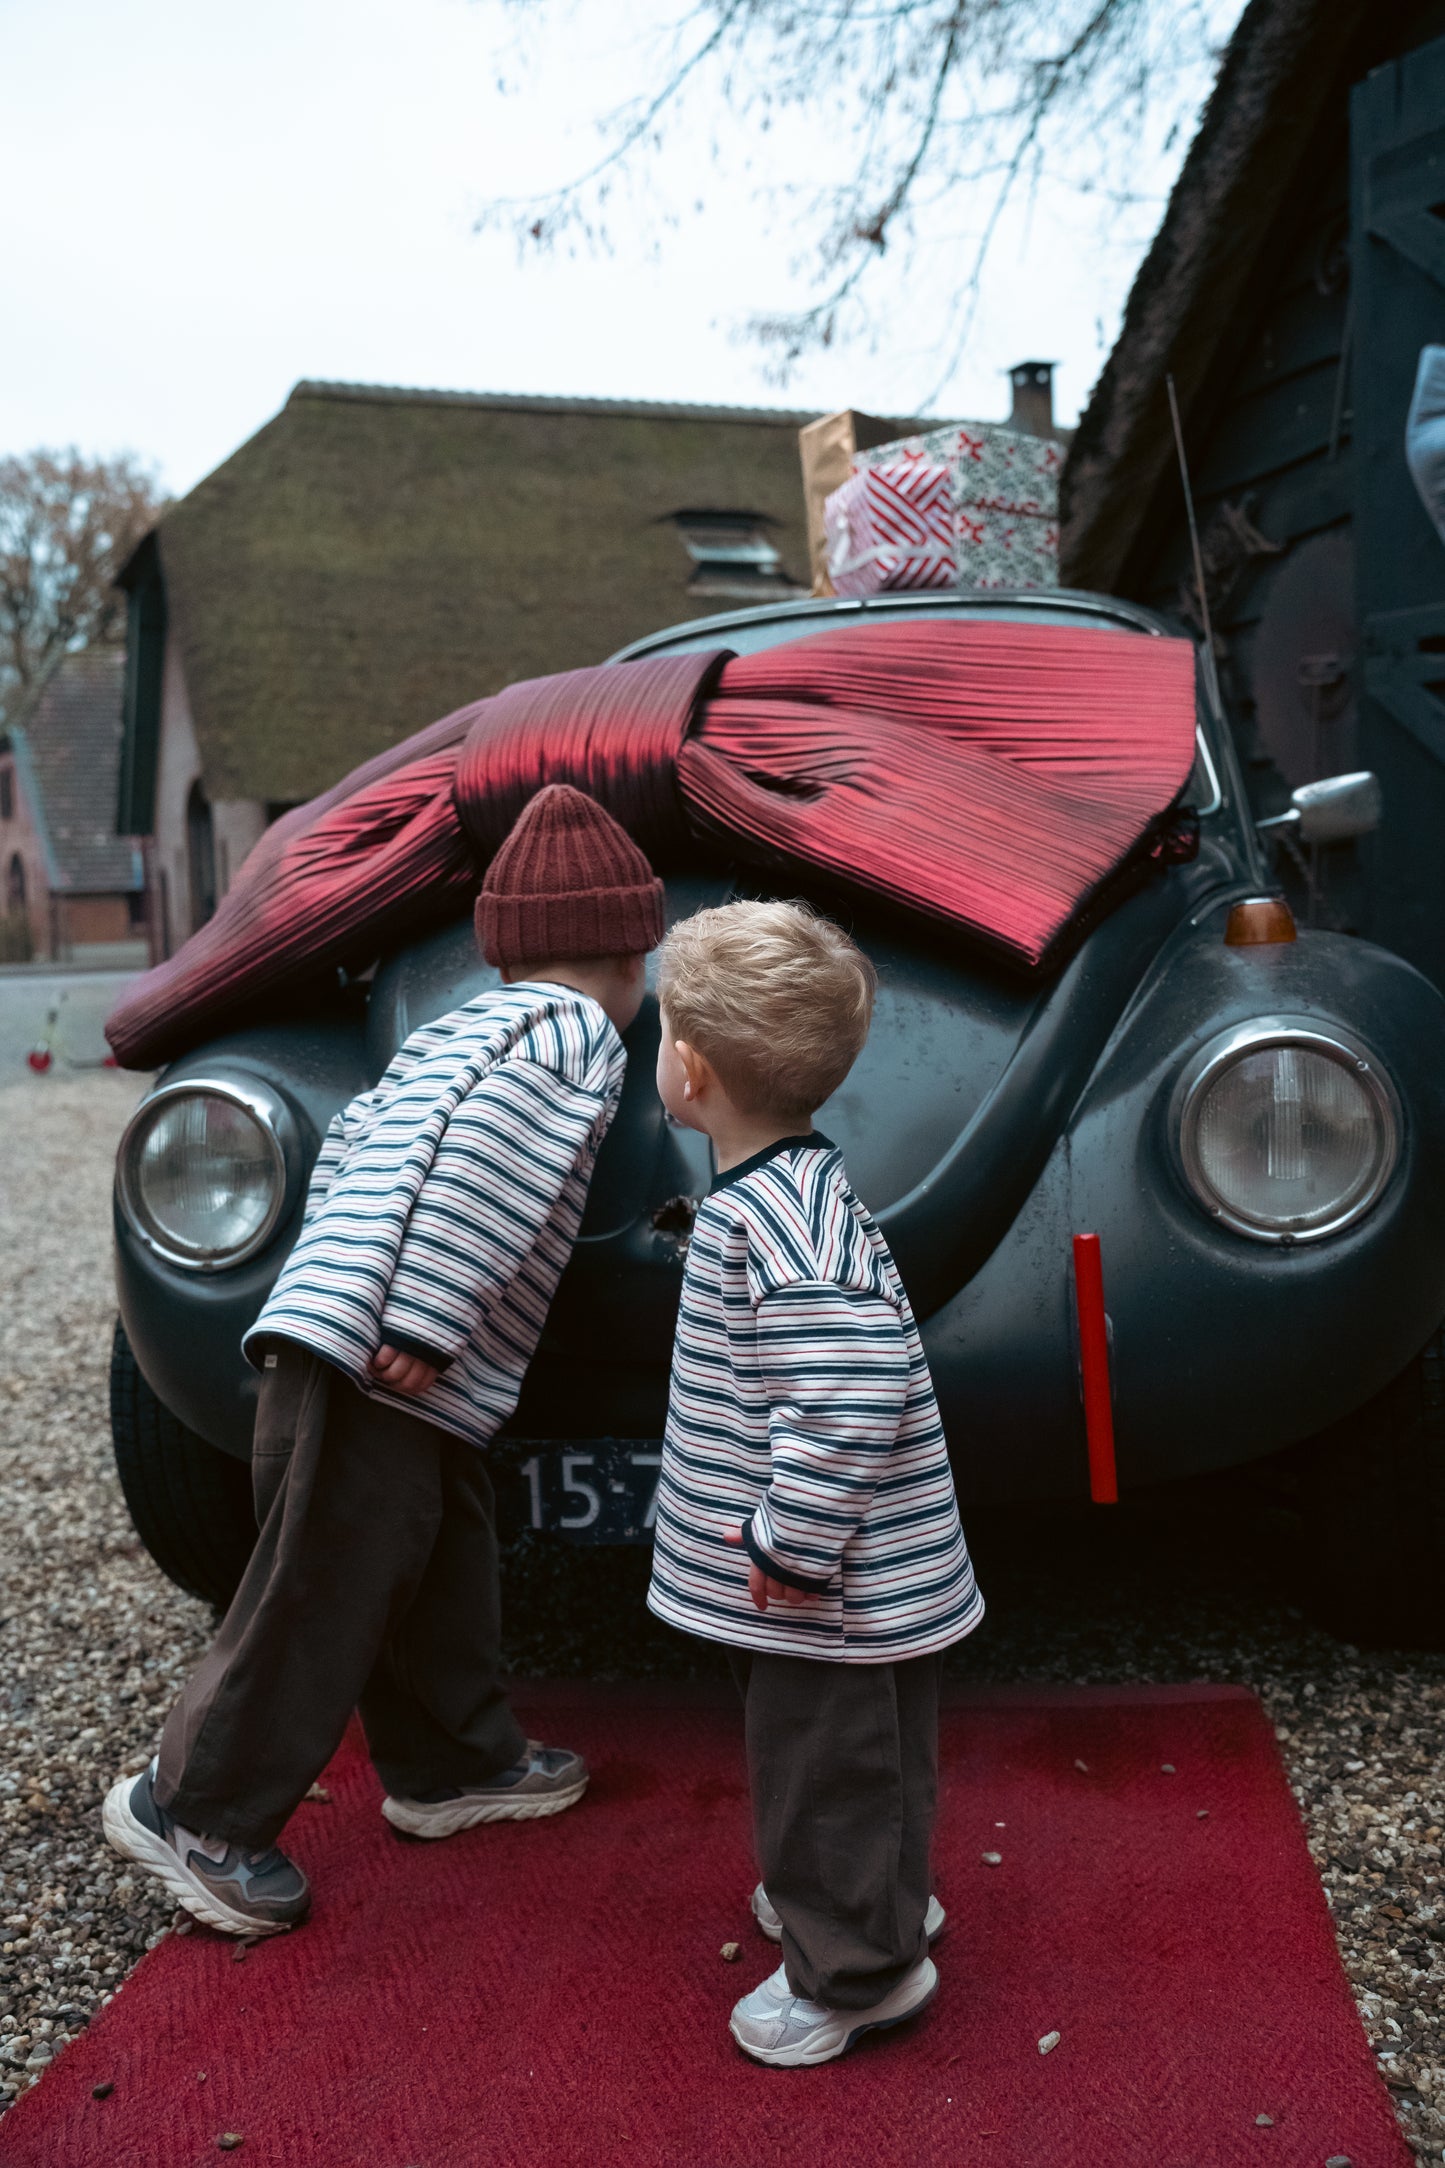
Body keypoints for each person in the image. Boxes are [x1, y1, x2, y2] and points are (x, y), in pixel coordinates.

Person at [103, 784, 662, 1936]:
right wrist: (424, 1318)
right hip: (391, 1348)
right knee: (326, 1581)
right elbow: (484, 1182)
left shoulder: (455, 1028)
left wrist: (347, 1292)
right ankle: (194, 1806)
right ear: (627, 943)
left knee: (434, 1545)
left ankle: (452, 1760)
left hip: (345, 1327)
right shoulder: (573, 1040)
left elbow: (355, 1143)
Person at [647, 899, 983, 2067]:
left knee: (823, 1763)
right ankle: (877, 1897)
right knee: (867, 1751)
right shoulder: (795, 1192)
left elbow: (850, 1388)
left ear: (687, 1069)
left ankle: (857, 1969)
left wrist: (789, 1541)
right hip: (856, 1576)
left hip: (824, 1585)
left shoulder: (769, 1226)